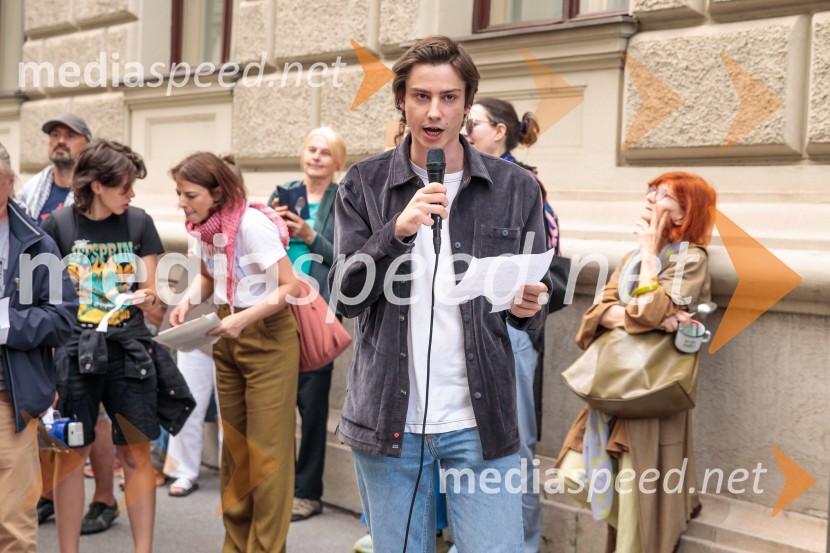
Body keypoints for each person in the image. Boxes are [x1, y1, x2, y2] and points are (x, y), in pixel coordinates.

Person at [330, 36, 551, 552]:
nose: (434, 111)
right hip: (389, 422)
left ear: (467, 102)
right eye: (421, 96)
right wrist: (396, 231)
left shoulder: (515, 188)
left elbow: (533, 306)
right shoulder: (363, 183)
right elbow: (345, 295)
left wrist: (528, 308)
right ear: (401, 101)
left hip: (482, 421)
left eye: (449, 98)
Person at [555, 172, 716, 553]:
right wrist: (646, 318)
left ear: (683, 213)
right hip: (613, 387)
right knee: (574, 475)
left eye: (663, 195)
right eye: (651, 190)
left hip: (653, 391)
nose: (649, 198)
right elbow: (594, 316)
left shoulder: (691, 260)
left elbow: (645, 308)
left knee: (637, 502)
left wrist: (648, 260)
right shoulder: (629, 259)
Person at [41, 140, 172, 553]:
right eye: (124, 187)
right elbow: (42, 298)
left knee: (135, 454)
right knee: (70, 454)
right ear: (96, 185)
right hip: (75, 351)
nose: (131, 195)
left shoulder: (138, 223)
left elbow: (153, 293)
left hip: (129, 350)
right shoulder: (59, 226)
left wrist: (145, 296)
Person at [168, 152, 301, 553]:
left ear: (217, 192)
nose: (181, 202)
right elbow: (210, 275)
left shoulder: (251, 224)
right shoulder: (204, 227)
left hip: (266, 336)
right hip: (227, 333)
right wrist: (187, 301)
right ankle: (236, 544)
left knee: (265, 451)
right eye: (177, 193)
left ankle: (265, 547)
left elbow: (289, 287)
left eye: (189, 194)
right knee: (237, 448)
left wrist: (242, 320)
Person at [462, 97, 560, 553]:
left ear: (499, 131)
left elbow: (544, 263)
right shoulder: (461, 179)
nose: (464, 130)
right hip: (460, 329)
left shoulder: (524, 185)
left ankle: (521, 545)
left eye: (472, 123)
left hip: (507, 329)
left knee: (513, 448)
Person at [266, 127, 346, 522]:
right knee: (277, 402)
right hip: (279, 306)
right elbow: (260, 242)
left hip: (318, 308)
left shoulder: (344, 199)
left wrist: (310, 233)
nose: (316, 157)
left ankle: (308, 492)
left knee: (312, 407)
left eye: (325, 152)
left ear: (337, 162)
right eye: (311, 149)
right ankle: (277, 485)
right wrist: (277, 227)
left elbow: (349, 257)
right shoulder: (282, 193)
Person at [0, 142, 76, 553]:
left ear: (9, 185)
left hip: (7, 398)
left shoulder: (34, 244)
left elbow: (62, 317)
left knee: (12, 523)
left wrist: (8, 324)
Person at [18, 113, 90, 223]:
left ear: (87, 145)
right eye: (55, 135)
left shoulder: (95, 189)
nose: (60, 141)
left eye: (70, 136)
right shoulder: (30, 189)